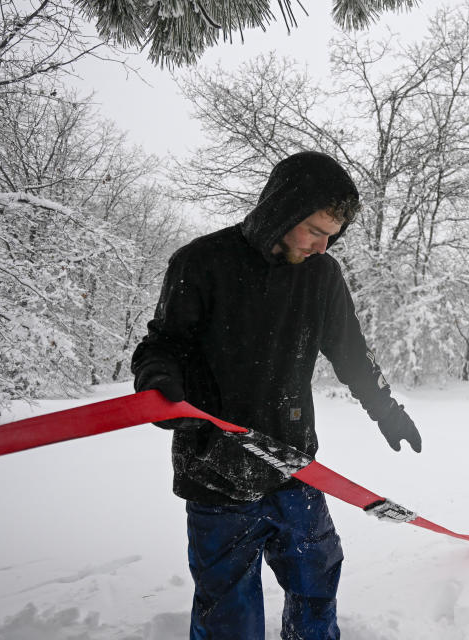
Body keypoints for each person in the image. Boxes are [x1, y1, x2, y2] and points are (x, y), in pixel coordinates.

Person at [131, 150, 422, 640]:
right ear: (281, 210)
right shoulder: (201, 263)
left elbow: (351, 353)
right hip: (215, 470)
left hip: (293, 466)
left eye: (332, 235)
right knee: (228, 616)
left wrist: (387, 411)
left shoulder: (321, 275)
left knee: (316, 585)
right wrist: (160, 384)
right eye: (314, 230)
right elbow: (161, 345)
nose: (323, 246)